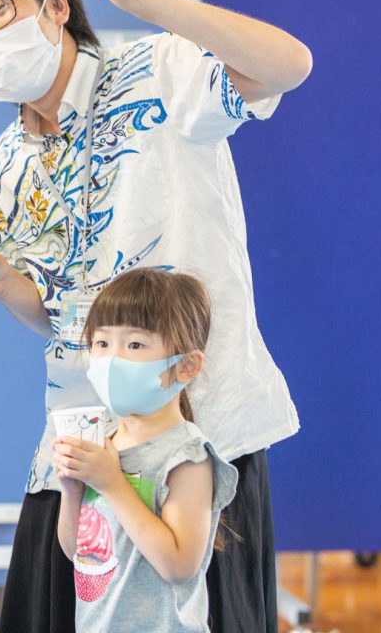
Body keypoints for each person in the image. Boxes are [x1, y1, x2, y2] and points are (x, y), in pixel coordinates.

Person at [0, 0, 312, 632]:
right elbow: (56, 316)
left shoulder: (159, 71)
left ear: (54, 3)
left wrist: (152, 0)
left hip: (199, 436)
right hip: (79, 443)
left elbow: (289, 65)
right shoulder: (0, 165)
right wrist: (4, 281)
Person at [53, 268, 237, 632]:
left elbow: (179, 566)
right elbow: (78, 552)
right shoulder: (102, 441)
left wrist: (111, 484)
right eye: (102, 344)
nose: (111, 360)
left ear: (186, 366)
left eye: (135, 345)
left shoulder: (187, 456)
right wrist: (72, 493)